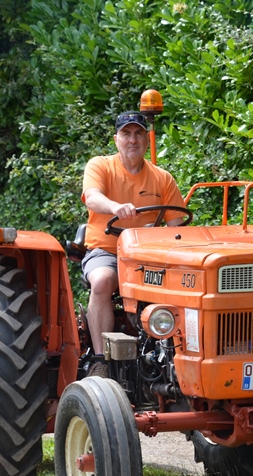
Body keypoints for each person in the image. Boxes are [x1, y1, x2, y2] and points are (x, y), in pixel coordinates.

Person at [81, 110, 186, 376]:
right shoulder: (100, 166)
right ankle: (100, 361)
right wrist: (115, 207)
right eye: (126, 133)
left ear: (146, 139)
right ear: (116, 139)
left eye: (138, 133)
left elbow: (177, 226)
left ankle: (178, 358)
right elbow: (92, 197)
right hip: (107, 251)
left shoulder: (162, 178)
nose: (132, 139)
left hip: (148, 257)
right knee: (102, 280)